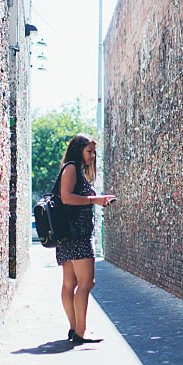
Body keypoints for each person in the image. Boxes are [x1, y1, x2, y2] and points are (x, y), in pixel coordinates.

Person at [55, 134, 116, 344]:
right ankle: (81, 330)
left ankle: (75, 328)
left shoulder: (73, 169)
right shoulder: (71, 168)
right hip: (77, 236)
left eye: (93, 152)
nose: (92, 156)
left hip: (69, 236)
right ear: (78, 149)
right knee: (86, 283)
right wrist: (95, 199)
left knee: (70, 283)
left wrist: (98, 199)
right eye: (89, 151)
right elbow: (66, 197)